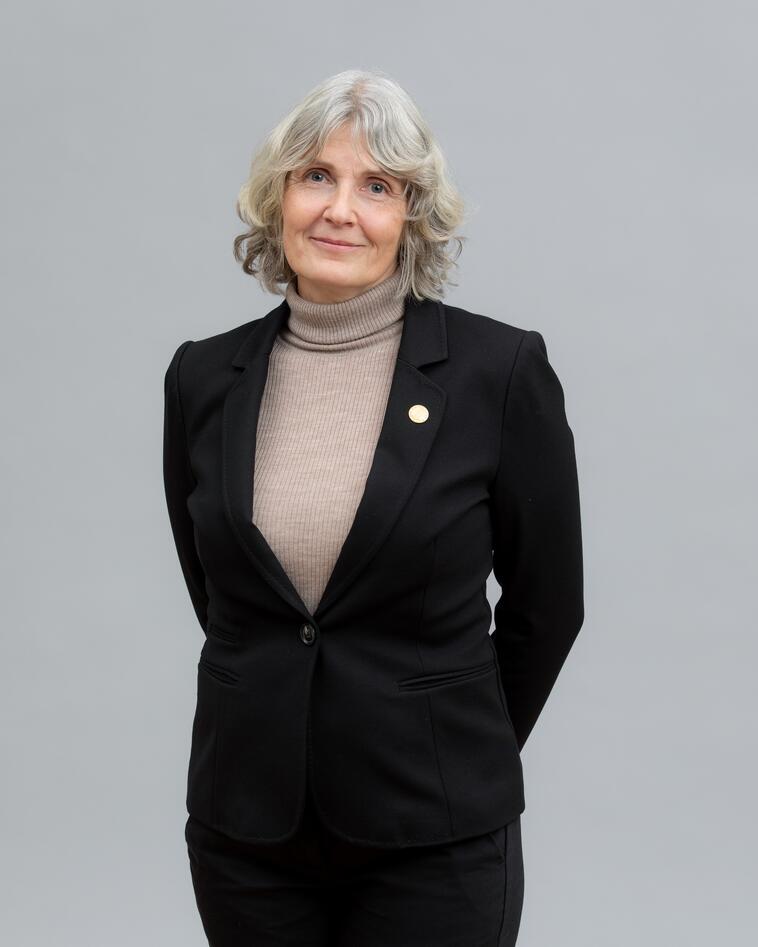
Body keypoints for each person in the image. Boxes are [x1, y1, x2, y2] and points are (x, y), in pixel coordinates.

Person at [163, 68, 584, 947]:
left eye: (378, 186)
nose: (340, 210)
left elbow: (549, 606)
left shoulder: (499, 373)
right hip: (249, 833)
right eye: (316, 176)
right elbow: (223, 595)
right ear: (278, 197)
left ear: (413, 217)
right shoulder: (202, 377)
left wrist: (455, 742)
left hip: (435, 834)